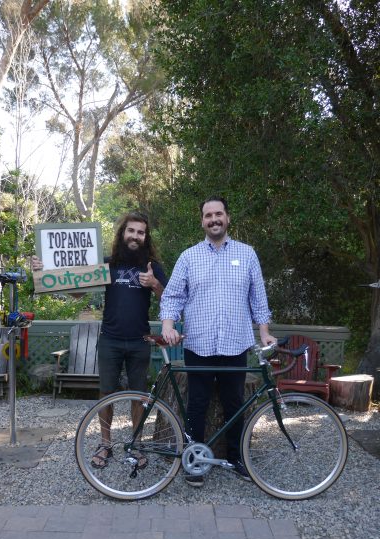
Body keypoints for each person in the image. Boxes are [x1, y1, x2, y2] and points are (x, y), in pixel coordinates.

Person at [32, 212, 167, 469]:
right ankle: (105, 445)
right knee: (106, 394)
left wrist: (155, 284)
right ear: (122, 233)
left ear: (145, 237)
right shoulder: (107, 264)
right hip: (110, 341)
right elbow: (76, 292)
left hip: (140, 341)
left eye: (141, 232)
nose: (135, 236)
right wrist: (44, 270)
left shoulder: (152, 266)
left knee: (138, 396)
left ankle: (135, 445)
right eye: (131, 231)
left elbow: (169, 299)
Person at [160, 196, 276, 487]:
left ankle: (237, 459)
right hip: (198, 344)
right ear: (202, 221)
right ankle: (194, 460)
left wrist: (264, 333)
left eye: (218, 214)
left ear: (227, 218)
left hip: (235, 344)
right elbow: (172, 295)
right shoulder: (188, 257)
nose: (214, 219)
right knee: (196, 404)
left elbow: (258, 299)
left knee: (234, 403)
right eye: (208, 215)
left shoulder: (247, 254)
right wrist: (168, 325)